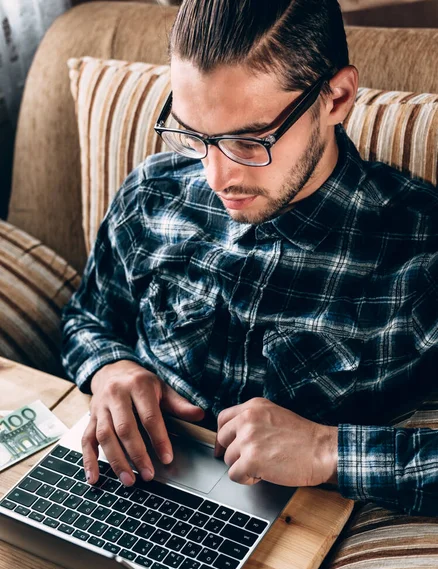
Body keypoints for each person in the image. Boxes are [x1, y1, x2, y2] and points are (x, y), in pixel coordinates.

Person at [61, 0, 438, 517]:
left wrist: (328, 451)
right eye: (196, 135)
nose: (216, 178)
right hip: (122, 493)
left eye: (248, 139)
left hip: (291, 540)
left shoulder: (419, 247)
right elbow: (86, 317)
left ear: (337, 97)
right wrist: (110, 368)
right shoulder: (152, 192)